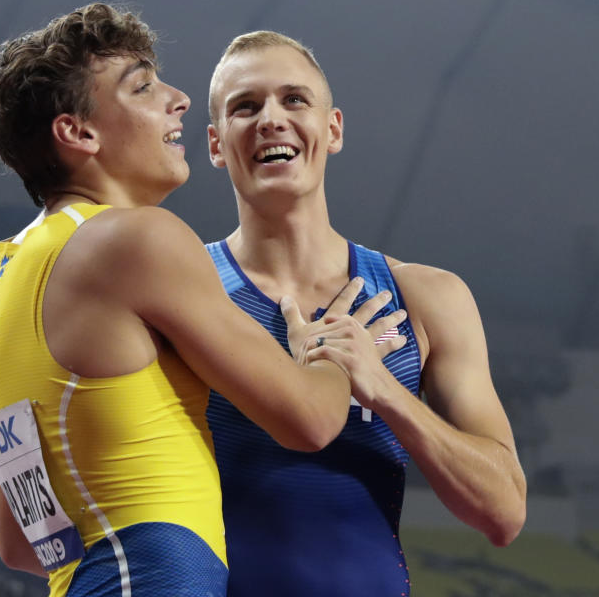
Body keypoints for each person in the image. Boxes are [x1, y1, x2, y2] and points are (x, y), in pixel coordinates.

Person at [0, 3, 406, 597]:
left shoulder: (7, 280)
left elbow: (31, 541)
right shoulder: (136, 238)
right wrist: (333, 350)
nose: (178, 98)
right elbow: (310, 420)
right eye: (144, 86)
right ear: (79, 133)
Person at [197, 31, 527, 596]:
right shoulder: (184, 293)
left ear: (333, 129)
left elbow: (503, 512)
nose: (270, 119)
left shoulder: (426, 297)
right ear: (215, 144)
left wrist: (384, 390)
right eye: (245, 107)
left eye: (294, 100)